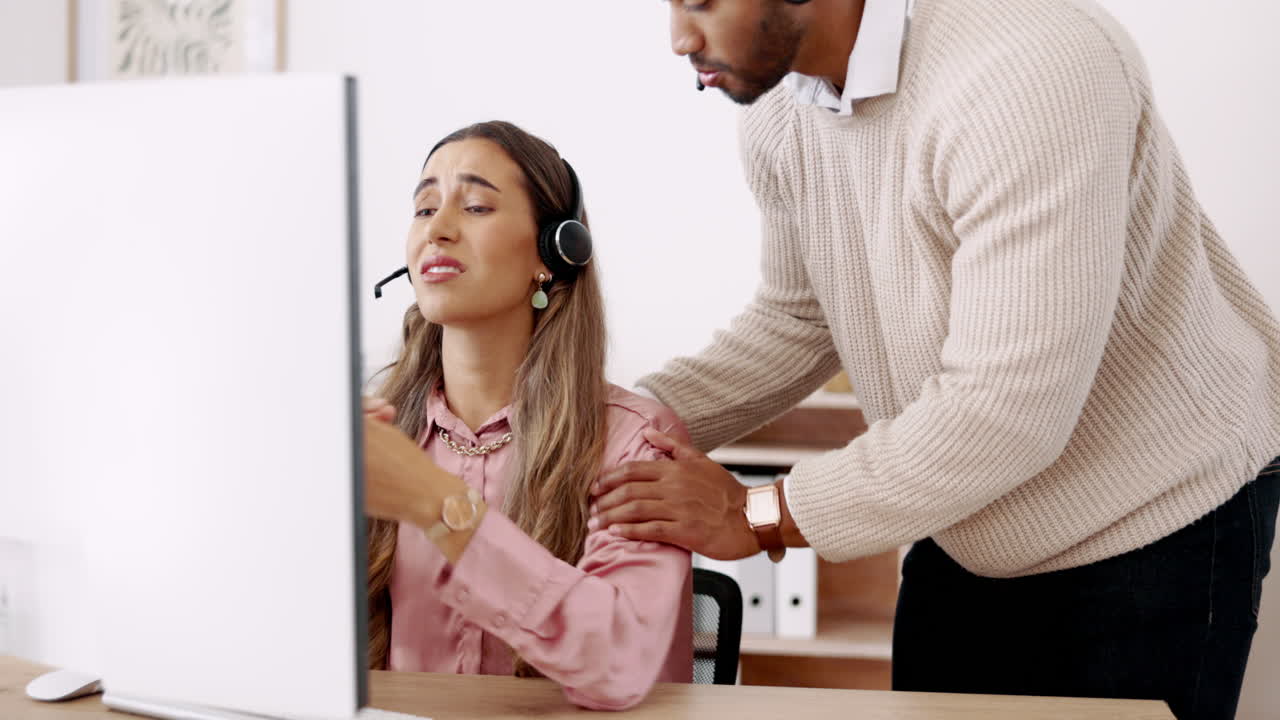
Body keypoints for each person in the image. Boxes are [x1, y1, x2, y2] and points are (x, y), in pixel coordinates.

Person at [589, 1, 1280, 718]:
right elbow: (798, 318)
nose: (679, 38)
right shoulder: (781, 108)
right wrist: (600, 425)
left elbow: (1006, 411)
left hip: (1152, 516)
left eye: (701, 0)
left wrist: (755, 512)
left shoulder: (1033, 68)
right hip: (967, 518)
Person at [360, 120, 692, 711]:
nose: (437, 229)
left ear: (553, 251)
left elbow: (620, 660)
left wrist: (438, 506)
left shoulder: (635, 443)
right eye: (425, 208)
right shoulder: (376, 435)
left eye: (476, 207)